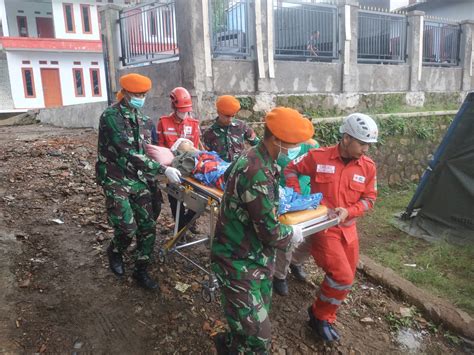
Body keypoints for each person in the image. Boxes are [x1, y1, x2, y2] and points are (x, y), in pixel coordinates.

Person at [211, 107, 314, 354]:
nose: (296, 150)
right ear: (276, 140)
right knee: (259, 340)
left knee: (249, 324)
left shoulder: (261, 158)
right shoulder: (256, 170)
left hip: (256, 258)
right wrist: (293, 234)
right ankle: (230, 345)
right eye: (293, 144)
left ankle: (231, 346)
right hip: (237, 262)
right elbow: (269, 232)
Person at [284, 113, 378, 342]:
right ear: (346, 138)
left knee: (347, 275)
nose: (366, 149)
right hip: (324, 227)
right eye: (362, 143)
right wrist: (298, 198)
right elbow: (290, 169)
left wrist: (350, 211)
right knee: (342, 277)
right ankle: (319, 316)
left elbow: (370, 199)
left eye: (369, 144)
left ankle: (325, 310)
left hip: (349, 230)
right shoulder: (319, 157)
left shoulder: (367, 167)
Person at [96, 73, 182, 290]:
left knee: (148, 226)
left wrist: (172, 157)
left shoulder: (145, 121)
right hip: (116, 178)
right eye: (136, 94)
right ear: (124, 93)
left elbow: (149, 150)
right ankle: (115, 251)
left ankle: (141, 269)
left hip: (139, 179)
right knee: (126, 227)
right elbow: (129, 152)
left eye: (143, 94)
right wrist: (163, 169)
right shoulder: (110, 117)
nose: (140, 98)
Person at [273, 137, 320, 296]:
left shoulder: (311, 147)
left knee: (312, 235)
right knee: (287, 236)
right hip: (285, 199)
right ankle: (279, 275)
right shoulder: (276, 145)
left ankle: (296, 262)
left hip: (306, 197)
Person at [156, 87, 201, 232]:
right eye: (181, 110)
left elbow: (194, 148)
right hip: (171, 168)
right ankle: (180, 227)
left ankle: (189, 222)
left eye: (186, 110)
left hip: (189, 168)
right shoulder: (163, 122)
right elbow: (160, 147)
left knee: (197, 200)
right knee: (175, 201)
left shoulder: (194, 124)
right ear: (174, 106)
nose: (184, 113)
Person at [203, 95, 259, 162]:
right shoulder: (209, 133)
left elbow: (258, 145)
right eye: (227, 116)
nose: (230, 119)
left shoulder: (242, 126)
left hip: (239, 168)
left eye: (233, 116)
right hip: (220, 170)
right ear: (218, 112)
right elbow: (206, 156)